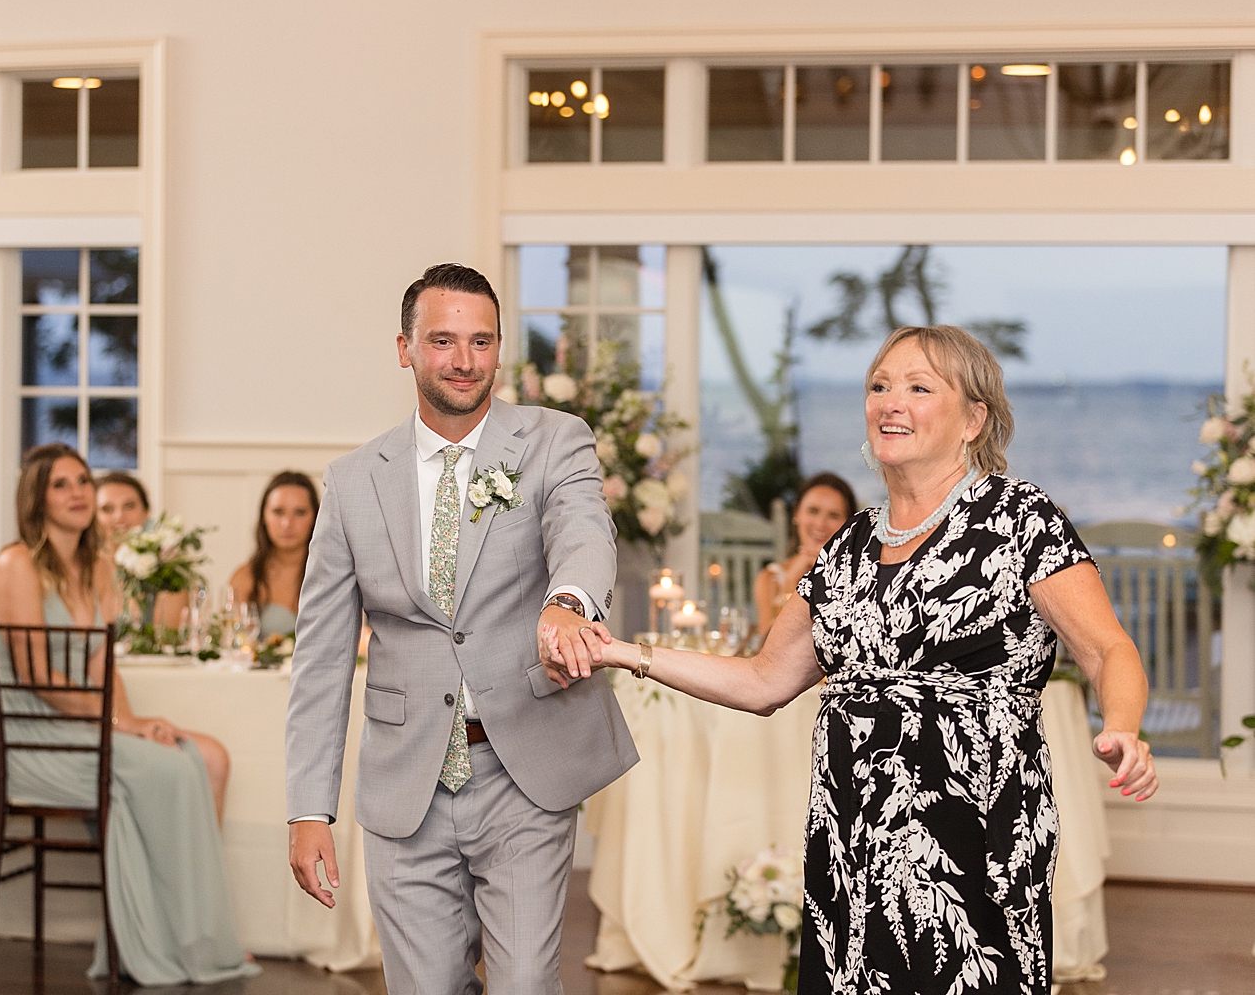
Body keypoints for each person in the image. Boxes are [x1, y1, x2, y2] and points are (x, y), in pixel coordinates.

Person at [541, 325, 1158, 995]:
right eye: (879, 385)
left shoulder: (1021, 519)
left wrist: (1122, 725)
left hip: (976, 831)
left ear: (973, 419)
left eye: (919, 388)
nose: (890, 402)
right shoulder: (849, 547)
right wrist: (622, 652)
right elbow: (763, 680)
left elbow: (1107, 648)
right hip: (853, 834)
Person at [286, 263, 638, 995]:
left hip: (521, 771)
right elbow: (320, 658)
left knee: (525, 987)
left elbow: (585, 531)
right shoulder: (353, 481)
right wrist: (308, 809)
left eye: (481, 341)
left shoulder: (554, 440)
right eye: (443, 341)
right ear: (404, 348)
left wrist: (567, 602)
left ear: (500, 349)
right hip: (403, 783)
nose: (464, 360)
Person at [0, 443, 254, 985]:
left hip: (82, 727)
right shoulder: (16, 564)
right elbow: (35, 678)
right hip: (27, 736)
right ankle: (161, 943)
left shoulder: (98, 566)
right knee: (170, 768)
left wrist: (131, 724)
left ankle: (183, 935)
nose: (79, 492)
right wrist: (123, 726)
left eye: (83, 480)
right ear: (36, 496)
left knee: (199, 756)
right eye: (61, 484)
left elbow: (105, 670)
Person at [753, 473, 857, 638]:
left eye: (834, 515)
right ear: (797, 514)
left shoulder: (860, 579)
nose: (820, 524)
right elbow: (768, 650)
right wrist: (790, 584)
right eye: (813, 511)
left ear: (849, 525)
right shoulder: (770, 579)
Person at [227, 471, 319, 638]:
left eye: (299, 512)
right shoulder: (246, 577)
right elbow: (230, 641)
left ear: (315, 518)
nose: (287, 523)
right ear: (264, 517)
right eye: (278, 512)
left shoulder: (331, 576)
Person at [94, 471, 186, 629]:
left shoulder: (167, 569)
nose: (119, 516)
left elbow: (169, 634)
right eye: (107, 509)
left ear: (146, 511)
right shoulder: (81, 566)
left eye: (129, 506)